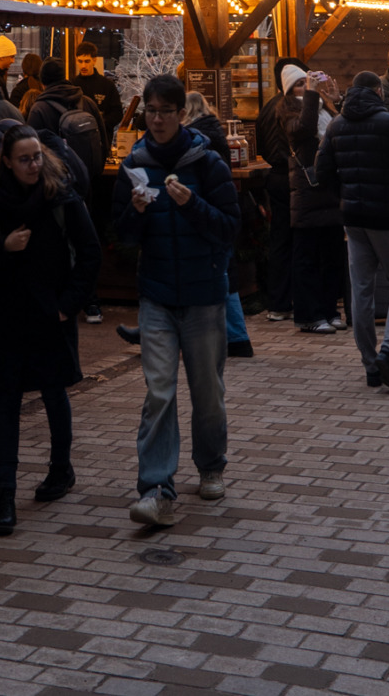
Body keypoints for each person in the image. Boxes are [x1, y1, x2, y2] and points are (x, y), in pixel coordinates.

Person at [111, 73, 240, 527]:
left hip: (204, 295)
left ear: (181, 114)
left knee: (208, 393)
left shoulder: (208, 163)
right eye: (151, 111)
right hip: (158, 295)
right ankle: (156, 488)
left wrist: (192, 205)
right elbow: (121, 236)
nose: (157, 119)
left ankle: (211, 465)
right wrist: (135, 213)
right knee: (159, 393)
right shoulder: (135, 163)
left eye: (166, 111)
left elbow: (230, 228)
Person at [0, 121, 101, 535]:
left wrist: (68, 305)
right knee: (7, 400)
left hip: (49, 314)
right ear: (6, 162)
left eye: (37, 157)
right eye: (24, 159)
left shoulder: (60, 196)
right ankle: (5, 493)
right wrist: (3, 247)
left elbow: (90, 252)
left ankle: (61, 469)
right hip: (8, 315)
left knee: (53, 391)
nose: (33, 165)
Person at [312, 70, 389, 395]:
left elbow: (322, 172)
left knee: (361, 289)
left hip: (353, 216)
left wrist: (344, 197)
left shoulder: (336, 125)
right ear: (378, 91)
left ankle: (370, 364)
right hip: (388, 216)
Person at [181, 93, 252, 359]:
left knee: (220, 273)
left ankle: (231, 337)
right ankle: (236, 337)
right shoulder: (213, 131)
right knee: (224, 272)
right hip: (218, 210)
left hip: (207, 212)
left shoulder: (198, 138)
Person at [284, 68, 348, 332]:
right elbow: (305, 128)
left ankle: (330, 310)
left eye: (307, 83)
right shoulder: (287, 111)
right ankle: (309, 315)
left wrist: (337, 101)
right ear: (289, 91)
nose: (306, 87)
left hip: (330, 189)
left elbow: (345, 131)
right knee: (307, 258)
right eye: (299, 84)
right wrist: (312, 94)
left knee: (332, 256)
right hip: (308, 194)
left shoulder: (324, 109)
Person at [256, 60, 301, 318]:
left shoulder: (266, 108)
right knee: (298, 241)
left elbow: (260, 145)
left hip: (274, 177)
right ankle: (291, 299)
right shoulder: (293, 107)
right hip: (293, 178)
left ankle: (278, 302)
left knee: (280, 240)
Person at [73, 47, 127, 136]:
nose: (83, 66)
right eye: (80, 61)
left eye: (87, 61)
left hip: (102, 137)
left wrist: (101, 123)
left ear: (94, 60)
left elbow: (117, 113)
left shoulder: (107, 85)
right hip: (78, 136)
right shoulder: (72, 85)